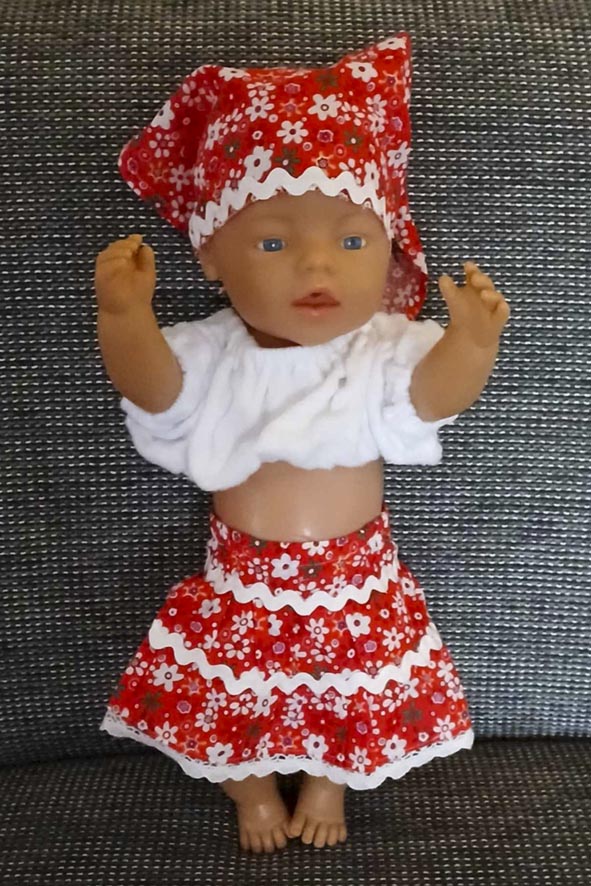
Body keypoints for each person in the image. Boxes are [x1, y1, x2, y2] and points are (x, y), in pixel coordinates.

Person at [95, 32, 510, 854]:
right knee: (225, 699)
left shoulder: (383, 350)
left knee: (349, 693)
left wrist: (470, 344)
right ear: (211, 255)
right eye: (274, 242)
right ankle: (251, 793)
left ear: (389, 250)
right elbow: (157, 395)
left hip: (356, 578)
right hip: (241, 580)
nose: (316, 267)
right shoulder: (210, 353)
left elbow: (425, 404)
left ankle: (327, 780)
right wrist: (124, 319)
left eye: (352, 242)